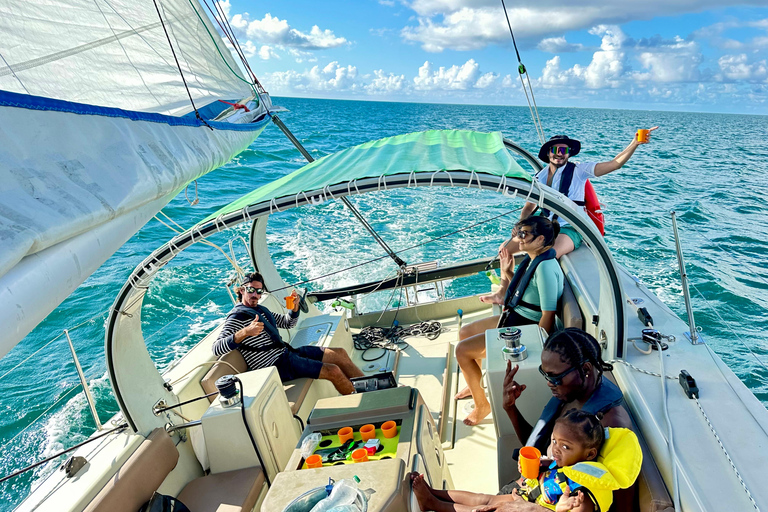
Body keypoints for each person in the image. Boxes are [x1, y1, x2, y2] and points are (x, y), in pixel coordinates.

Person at [481, 128, 658, 305]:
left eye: (564, 150)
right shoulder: (539, 177)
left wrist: (634, 143)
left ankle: (532, 300)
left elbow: (614, 164)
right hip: (546, 227)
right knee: (505, 248)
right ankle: (503, 292)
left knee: (546, 254)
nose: (560, 154)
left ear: (569, 153)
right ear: (548, 153)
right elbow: (529, 208)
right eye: (555, 150)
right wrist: (520, 226)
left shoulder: (580, 170)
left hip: (570, 228)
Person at [410, 409, 641, 512]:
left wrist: (562, 508)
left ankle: (434, 504)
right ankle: (435, 493)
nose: (556, 449)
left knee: (484, 506)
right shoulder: (563, 463)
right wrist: (537, 469)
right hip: (527, 494)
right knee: (483, 497)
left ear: (590, 454)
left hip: (533, 507)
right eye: (554, 440)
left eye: (565, 446)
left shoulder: (584, 489)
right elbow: (548, 475)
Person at [455, 216, 564, 426]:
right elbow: (527, 288)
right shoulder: (535, 258)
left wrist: (537, 349)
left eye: (524, 234)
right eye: (519, 233)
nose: (519, 239)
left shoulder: (546, 267)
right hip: (514, 317)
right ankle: (474, 383)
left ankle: (482, 405)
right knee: (465, 332)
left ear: (541, 239)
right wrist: (506, 272)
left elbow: (548, 314)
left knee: (462, 350)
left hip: (525, 328)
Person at [212, 272, 364, 395]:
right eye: (251, 290)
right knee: (333, 370)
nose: (255, 295)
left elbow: (287, 322)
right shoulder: (237, 317)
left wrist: (295, 307)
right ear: (242, 290)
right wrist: (245, 332)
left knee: (340, 354)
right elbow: (216, 348)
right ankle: (363, 402)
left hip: (286, 354)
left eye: (259, 291)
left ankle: (368, 386)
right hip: (275, 365)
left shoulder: (259, 309)